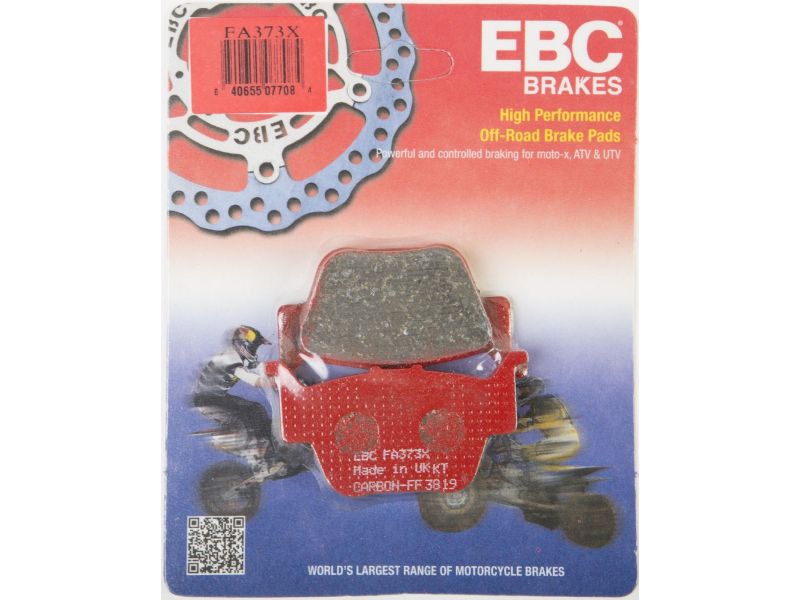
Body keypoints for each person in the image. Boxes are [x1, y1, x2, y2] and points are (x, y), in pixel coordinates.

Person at [194, 326, 285, 478]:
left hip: (216, 397)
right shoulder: (232, 360)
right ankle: (259, 465)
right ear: (243, 346)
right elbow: (255, 380)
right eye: (253, 348)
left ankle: (268, 445)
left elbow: (258, 367)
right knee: (245, 421)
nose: (254, 353)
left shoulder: (237, 356)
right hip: (208, 401)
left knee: (256, 409)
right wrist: (279, 381)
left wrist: (280, 369)